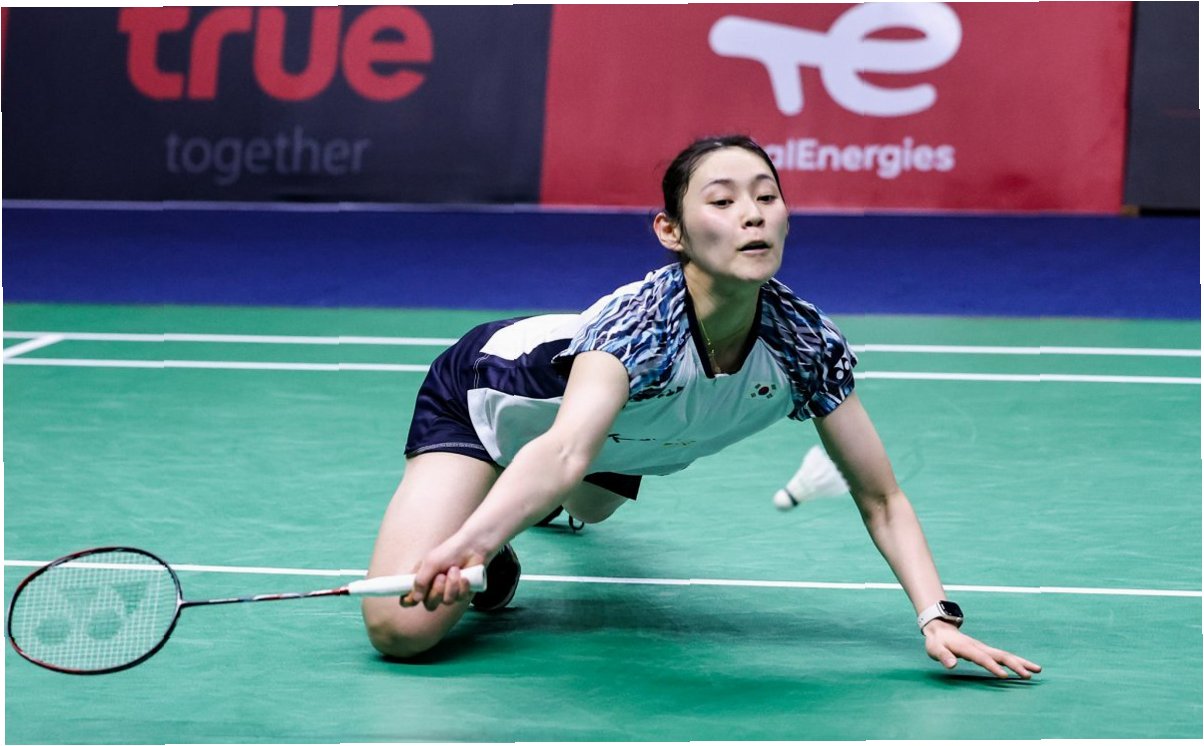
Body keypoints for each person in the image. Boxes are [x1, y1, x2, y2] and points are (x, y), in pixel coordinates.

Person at [361, 135, 1042, 680]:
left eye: (767, 196)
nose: (753, 214)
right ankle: (498, 531)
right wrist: (472, 545)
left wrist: (936, 617)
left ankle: (522, 512)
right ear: (672, 231)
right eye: (722, 200)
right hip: (488, 402)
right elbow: (563, 450)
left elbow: (882, 497)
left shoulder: (806, 345)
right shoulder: (639, 331)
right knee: (400, 631)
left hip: (616, 437)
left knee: (591, 505)